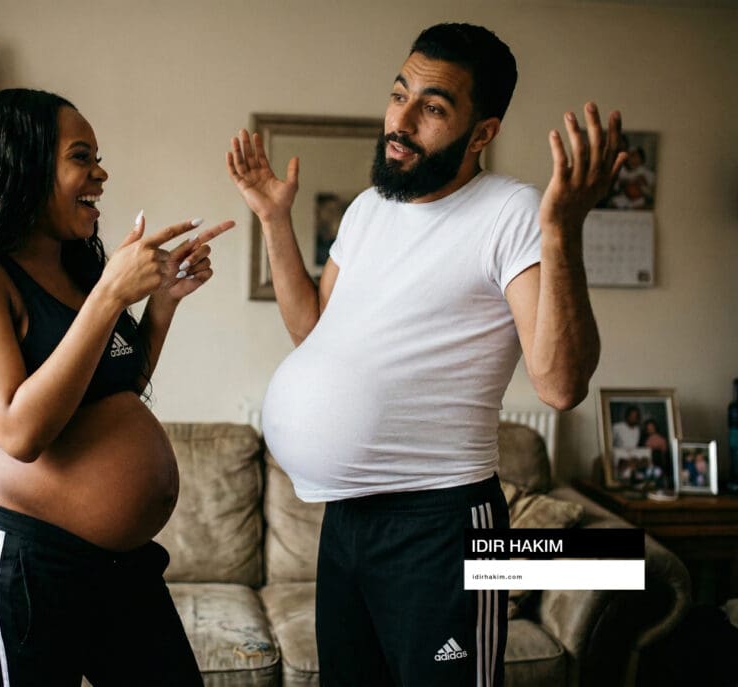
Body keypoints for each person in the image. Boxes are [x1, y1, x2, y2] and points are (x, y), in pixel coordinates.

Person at [227, 23, 625, 687]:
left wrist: (563, 231)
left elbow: (560, 385)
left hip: (442, 525)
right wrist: (274, 220)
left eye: (433, 108)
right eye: (399, 95)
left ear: (482, 132)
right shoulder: (368, 209)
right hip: (346, 519)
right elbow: (313, 330)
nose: (402, 120)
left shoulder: (513, 213)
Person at [0, 88, 233, 686]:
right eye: (81, 157)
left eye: (98, 156)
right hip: (20, 564)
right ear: (23, 163)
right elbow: (19, 430)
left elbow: (118, 388)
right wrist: (113, 294)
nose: (101, 173)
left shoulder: (74, 268)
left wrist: (161, 304)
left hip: (117, 567)